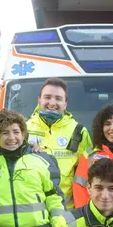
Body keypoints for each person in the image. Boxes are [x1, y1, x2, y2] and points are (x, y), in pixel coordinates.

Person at [27, 78, 92, 208]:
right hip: (33, 214)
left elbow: (88, 175)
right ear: (39, 100)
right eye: (47, 97)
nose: (52, 103)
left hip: (66, 213)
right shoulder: (23, 130)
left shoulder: (78, 132)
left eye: (58, 98)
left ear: (65, 104)